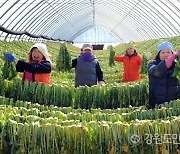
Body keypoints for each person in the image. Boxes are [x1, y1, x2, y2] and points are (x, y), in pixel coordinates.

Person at [148, 42, 180, 108]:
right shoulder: (152, 64)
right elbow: (157, 72)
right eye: (163, 52)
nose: (166, 55)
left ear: (172, 53)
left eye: (168, 52)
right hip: (156, 103)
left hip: (172, 103)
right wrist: (172, 57)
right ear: (158, 54)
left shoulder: (176, 66)